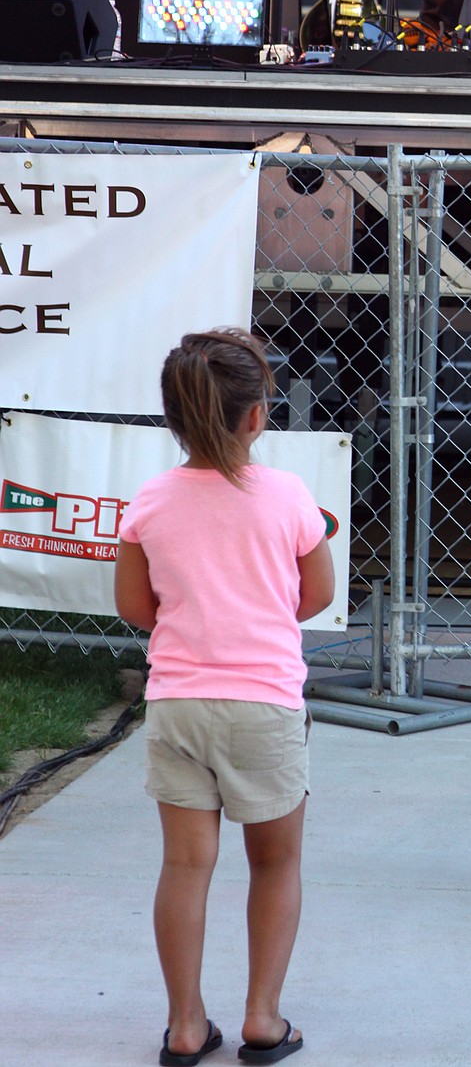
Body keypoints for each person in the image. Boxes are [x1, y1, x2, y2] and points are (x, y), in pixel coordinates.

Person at [115, 330, 335, 1067]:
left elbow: (134, 605)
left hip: (177, 704)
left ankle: (184, 1025)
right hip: (264, 707)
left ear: (173, 417)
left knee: (185, 865)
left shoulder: (149, 501)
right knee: (275, 862)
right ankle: (263, 1019)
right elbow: (320, 592)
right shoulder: (288, 496)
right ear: (257, 417)